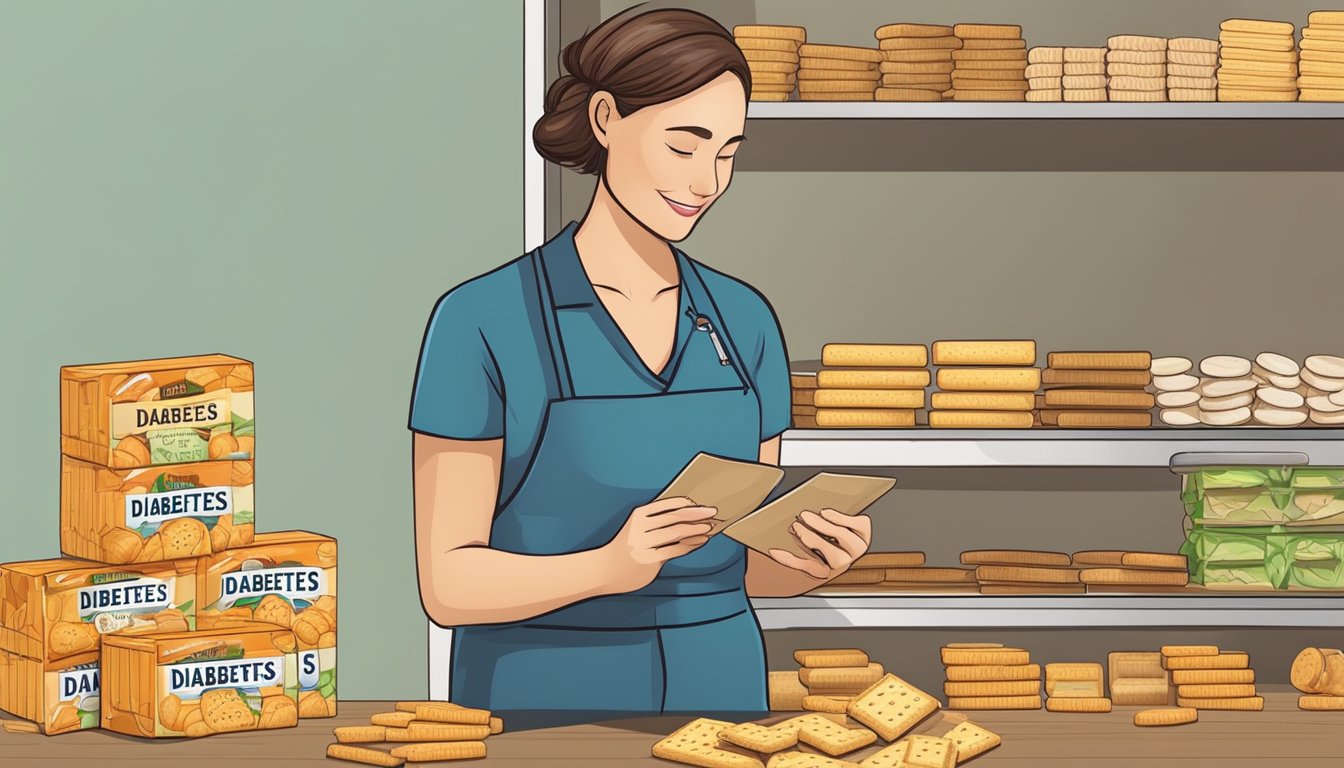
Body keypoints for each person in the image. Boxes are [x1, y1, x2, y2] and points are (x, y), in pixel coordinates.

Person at [409, 7, 872, 718]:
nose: (707, 181)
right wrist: (608, 567)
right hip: (542, 694)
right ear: (605, 118)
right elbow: (447, 585)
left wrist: (807, 561)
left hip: (721, 685)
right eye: (684, 145)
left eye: (727, 151)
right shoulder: (483, 321)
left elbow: (740, 568)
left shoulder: (744, 321)